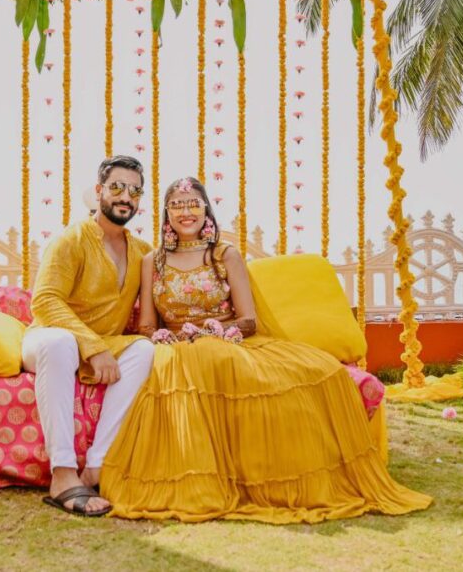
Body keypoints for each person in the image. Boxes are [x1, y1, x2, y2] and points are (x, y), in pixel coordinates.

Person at [100, 176, 432, 523]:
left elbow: (248, 321)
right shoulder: (153, 261)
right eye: (177, 205)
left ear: (206, 209)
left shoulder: (224, 254)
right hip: (177, 347)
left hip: (228, 339)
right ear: (166, 213)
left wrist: (217, 330)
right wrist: (167, 338)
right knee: (198, 361)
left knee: (320, 371)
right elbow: (147, 325)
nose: (186, 212)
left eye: (193, 203)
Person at [23, 155, 155, 517]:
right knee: (60, 342)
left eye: (134, 190)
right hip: (48, 341)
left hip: (102, 343)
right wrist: (93, 348)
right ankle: (63, 475)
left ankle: (97, 465)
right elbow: (45, 300)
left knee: (143, 350)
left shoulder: (143, 251)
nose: (125, 196)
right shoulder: (71, 239)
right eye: (116, 187)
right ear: (98, 191)